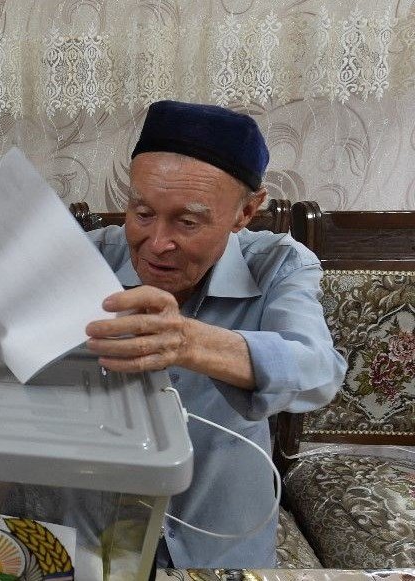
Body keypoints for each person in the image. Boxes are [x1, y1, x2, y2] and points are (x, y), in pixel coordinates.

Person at [83, 100, 346, 568]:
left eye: (187, 222)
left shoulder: (278, 264)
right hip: (97, 536)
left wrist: (189, 342)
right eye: (142, 213)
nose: (157, 242)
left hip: (223, 540)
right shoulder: (87, 260)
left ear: (246, 212)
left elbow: (319, 373)